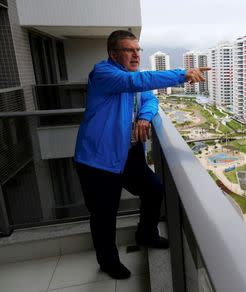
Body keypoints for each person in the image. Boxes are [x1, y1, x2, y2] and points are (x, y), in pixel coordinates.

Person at [74, 30, 209, 279]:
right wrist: (183, 74)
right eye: (129, 50)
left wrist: (145, 117)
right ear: (113, 54)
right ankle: (107, 261)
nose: (136, 55)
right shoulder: (104, 74)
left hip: (128, 153)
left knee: (154, 189)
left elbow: (149, 99)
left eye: (138, 50)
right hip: (98, 159)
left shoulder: (133, 76)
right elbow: (136, 84)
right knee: (104, 214)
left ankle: (146, 234)